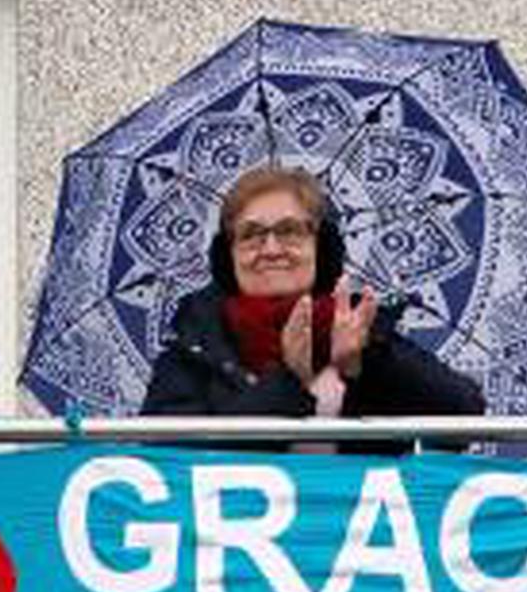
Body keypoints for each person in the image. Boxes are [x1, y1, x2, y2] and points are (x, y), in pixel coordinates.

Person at [140, 165, 484, 445]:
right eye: (250, 235)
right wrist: (289, 381)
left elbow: (465, 413)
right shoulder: (193, 350)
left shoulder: (359, 326)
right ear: (228, 256)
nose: (271, 248)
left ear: (321, 247)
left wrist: (365, 361)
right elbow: (166, 462)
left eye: (290, 231)